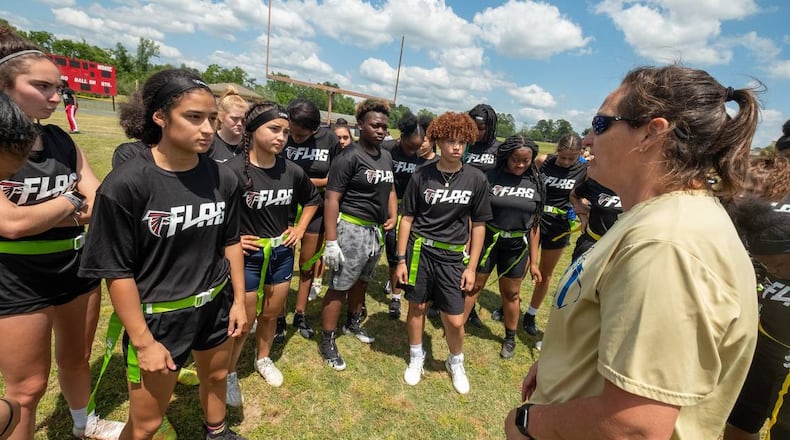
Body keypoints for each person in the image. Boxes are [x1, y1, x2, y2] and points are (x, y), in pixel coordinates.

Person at [505, 65, 760, 439]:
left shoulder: (666, 244)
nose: (587, 139)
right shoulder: (656, 218)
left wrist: (527, 423)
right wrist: (558, 363)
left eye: (600, 123)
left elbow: (634, 426)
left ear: (652, 132)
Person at [79, 68, 247, 440]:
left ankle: (216, 432)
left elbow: (230, 241)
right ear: (159, 117)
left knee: (216, 376)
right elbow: (116, 272)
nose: (207, 129)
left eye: (212, 119)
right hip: (160, 320)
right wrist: (142, 341)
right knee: (147, 424)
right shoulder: (126, 185)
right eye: (194, 117)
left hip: (215, 305)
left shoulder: (224, 178)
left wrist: (237, 301)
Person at [0, 27, 123, 440]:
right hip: (14, 277)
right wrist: (71, 201)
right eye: (41, 87)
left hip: (76, 267)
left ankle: (83, 424)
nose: (55, 98)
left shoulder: (61, 140)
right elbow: (10, 225)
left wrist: (48, 211)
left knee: (76, 358)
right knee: (28, 387)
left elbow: (102, 199)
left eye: (58, 88)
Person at [224, 102, 319, 403]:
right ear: (252, 130)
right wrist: (232, 241)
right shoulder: (230, 171)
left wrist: (300, 229)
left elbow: (314, 199)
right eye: (274, 129)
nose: (281, 137)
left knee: (272, 313)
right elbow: (214, 215)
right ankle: (228, 372)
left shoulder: (291, 171)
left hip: (280, 254)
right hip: (246, 258)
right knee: (243, 319)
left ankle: (262, 358)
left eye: (286, 132)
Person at [395, 111, 491, 394]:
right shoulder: (421, 174)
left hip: (452, 257)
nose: (456, 146)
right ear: (437, 140)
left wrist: (472, 267)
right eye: (449, 140)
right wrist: (400, 258)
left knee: (454, 318)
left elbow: (480, 225)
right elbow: (408, 218)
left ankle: (455, 361)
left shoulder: (476, 179)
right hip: (420, 252)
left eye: (462, 141)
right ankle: (416, 358)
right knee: (417, 307)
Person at [319, 98, 397, 371]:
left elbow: (390, 188)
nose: (380, 130)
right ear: (360, 125)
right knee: (340, 285)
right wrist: (331, 241)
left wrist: (393, 213)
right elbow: (331, 198)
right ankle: (327, 339)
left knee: (362, 281)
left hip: (374, 232)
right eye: (375, 125)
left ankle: (352, 322)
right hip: (351, 228)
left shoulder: (385, 155)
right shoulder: (349, 156)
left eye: (384, 127)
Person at [724, 155, 790, 440]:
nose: (743, 196)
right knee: (742, 416)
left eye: (751, 191)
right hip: (766, 341)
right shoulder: (736, 221)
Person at [468, 136, 544, 359]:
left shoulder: (536, 182)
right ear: (505, 157)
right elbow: (476, 216)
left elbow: (535, 225)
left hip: (516, 247)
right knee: (473, 286)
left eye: (526, 160)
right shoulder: (490, 177)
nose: (520, 165)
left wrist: (535, 262)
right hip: (489, 240)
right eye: (515, 160)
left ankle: (510, 337)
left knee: (511, 293)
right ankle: (458, 327)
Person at [283, 98, 343, 341]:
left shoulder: (329, 140)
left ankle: (300, 312)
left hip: (315, 207)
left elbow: (337, 176)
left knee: (306, 264)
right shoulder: (281, 133)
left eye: (300, 134)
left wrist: (307, 183)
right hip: (281, 206)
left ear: (315, 129)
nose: (294, 138)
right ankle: (276, 315)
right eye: (292, 132)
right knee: (281, 263)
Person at [518, 134, 586, 335]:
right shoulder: (543, 161)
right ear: (557, 151)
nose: (565, 162)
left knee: (545, 274)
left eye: (570, 159)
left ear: (579, 155)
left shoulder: (584, 170)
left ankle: (531, 313)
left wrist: (583, 213)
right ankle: (509, 304)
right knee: (521, 268)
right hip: (535, 221)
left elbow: (582, 197)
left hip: (559, 226)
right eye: (562, 157)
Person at [381, 111, 434, 319]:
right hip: (386, 209)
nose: (415, 151)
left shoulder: (427, 160)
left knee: (403, 254)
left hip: (412, 213)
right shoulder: (386, 150)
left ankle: (397, 295)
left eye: (419, 146)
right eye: (411, 146)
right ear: (401, 137)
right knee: (388, 254)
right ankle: (393, 293)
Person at [459, 103, 501, 327]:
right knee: (457, 256)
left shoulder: (498, 150)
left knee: (475, 262)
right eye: (472, 126)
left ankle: (470, 307)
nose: (476, 132)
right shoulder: (463, 145)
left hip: (484, 214)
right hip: (459, 210)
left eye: (481, 128)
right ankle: (444, 300)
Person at [568, 176, 622, 262]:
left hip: (622, 249)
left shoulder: (643, 189)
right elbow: (574, 195)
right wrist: (582, 216)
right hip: (591, 244)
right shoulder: (597, 182)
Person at [207, 87, 249, 163]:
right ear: (221, 117)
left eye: (243, 119)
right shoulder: (209, 143)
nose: (239, 124)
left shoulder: (250, 145)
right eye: (234, 118)